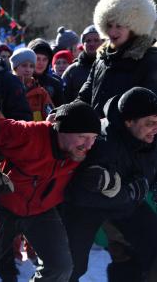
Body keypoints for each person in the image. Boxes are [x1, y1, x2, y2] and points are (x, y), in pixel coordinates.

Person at [0, 96, 101, 282]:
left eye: (93, 138)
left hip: (42, 211)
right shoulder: (28, 135)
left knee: (61, 267)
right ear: (62, 130)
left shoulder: (82, 152)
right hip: (3, 207)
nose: (88, 145)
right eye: (82, 136)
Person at [65, 87, 157, 282]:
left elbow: (148, 168)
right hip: (87, 210)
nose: (155, 128)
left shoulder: (148, 137)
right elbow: (80, 194)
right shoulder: (103, 144)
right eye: (150, 123)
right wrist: (128, 192)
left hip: (127, 205)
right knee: (71, 266)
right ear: (128, 121)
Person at [77, 0, 157, 117]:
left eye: (119, 26)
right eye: (109, 25)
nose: (112, 31)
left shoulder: (150, 60)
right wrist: (63, 113)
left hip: (130, 134)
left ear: (134, 28)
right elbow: (84, 97)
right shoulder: (102, 59)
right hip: (97, 134)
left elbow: (149, 108)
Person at [10, 47, 54, 121]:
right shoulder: (7, 90)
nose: (28, 69)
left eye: (31, 66)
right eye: (24, 65)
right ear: (15, 68)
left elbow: (51, 115)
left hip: (36, 132)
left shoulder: (41, 93)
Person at [62, 25, 102, 103]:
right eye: (88, 41)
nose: (92, 44)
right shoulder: (72, 71)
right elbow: (63, 100)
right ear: (83, 44)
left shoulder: (111, 67)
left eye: (96, 40)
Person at [28, 38, 66, 106]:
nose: (41, 63)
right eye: (37, 59)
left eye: (45, 59)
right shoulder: (21, 82)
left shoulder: (55, 84)